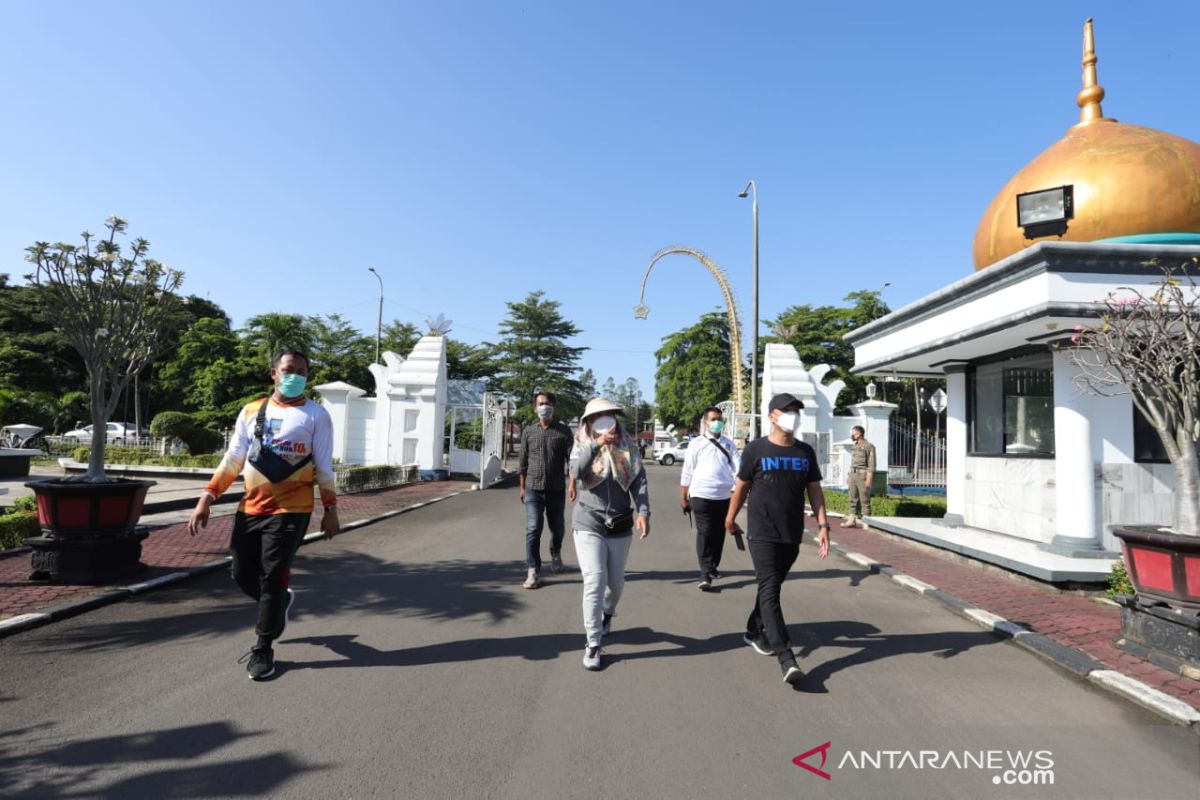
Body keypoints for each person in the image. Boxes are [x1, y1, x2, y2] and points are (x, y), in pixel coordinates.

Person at [187, 350, 339, 681]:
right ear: (273, 373)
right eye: (288, 370)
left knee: (272, 575)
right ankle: (279, 602)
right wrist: (207, 497)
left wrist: (330, 509)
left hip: (292, 510)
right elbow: (233, 459)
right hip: (251, 507)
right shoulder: (251, 410)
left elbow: (325, 465)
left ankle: (263, 647)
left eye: (301, 371)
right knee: (241, 574)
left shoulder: (316, 415)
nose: (295, 375)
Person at [725, 393, 830, 686]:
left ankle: (752, 630)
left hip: (791, 533)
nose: (793, 416)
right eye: (787, 410)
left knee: (770, 586)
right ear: (772, 415)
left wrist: (823, 525)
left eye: (797, 411)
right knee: (771, 590)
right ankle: (786, 658)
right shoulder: (756, 450)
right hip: (762, 532)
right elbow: (741, 486)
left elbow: (815, 491)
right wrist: (730, 518)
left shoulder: (805, 452)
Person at [570, 397, 650, 671]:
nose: (605, 419)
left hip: (619, 524)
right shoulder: (581, 443)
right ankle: (593, 643)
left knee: (615, 584)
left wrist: (643, 512)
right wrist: (597, 444)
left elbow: (639, 480)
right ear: (589, 422)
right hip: (588, 522)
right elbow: (577, 472)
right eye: (599, 416)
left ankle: (607, 611)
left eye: (610, 415)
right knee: (595, 579)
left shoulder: (628, 447)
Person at [517, 391, 575, 589]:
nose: (544, 406)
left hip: (556, 489)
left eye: (548, 403)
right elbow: (522, 461)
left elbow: (572, 461)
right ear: (535, 408)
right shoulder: (528, 432)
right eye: (541, 403)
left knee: (557, 528)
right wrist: (522, 486)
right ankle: (533, 570)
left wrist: (572, 484)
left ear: (554, 407)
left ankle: (555, 552)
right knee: (533, 529)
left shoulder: (564, 432)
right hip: (533, 489)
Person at [680, 406, 740, 591]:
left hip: (723, 495)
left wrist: (741, 488)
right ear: (705, 422)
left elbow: (739, 469)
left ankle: (712, 565)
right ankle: (705, 573)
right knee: (705, 531)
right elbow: (688, 470)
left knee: (718, 533)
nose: (717, 422)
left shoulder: (729, 444)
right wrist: (683, 495)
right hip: (700, 494)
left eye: (720, 419)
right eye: (713, 419)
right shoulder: (696, 443)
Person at [843, 425, 876, 528]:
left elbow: (871, 464)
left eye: (854, 433)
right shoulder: (855, 445)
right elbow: (853, 462)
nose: (852, 435)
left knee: (864, 498)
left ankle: (866, 521)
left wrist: (869, 479)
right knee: (852, 498)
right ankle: (852, 520)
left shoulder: (869, 446)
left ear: (859, 434)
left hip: (862, 475)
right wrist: (849, 476)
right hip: (853, 474)